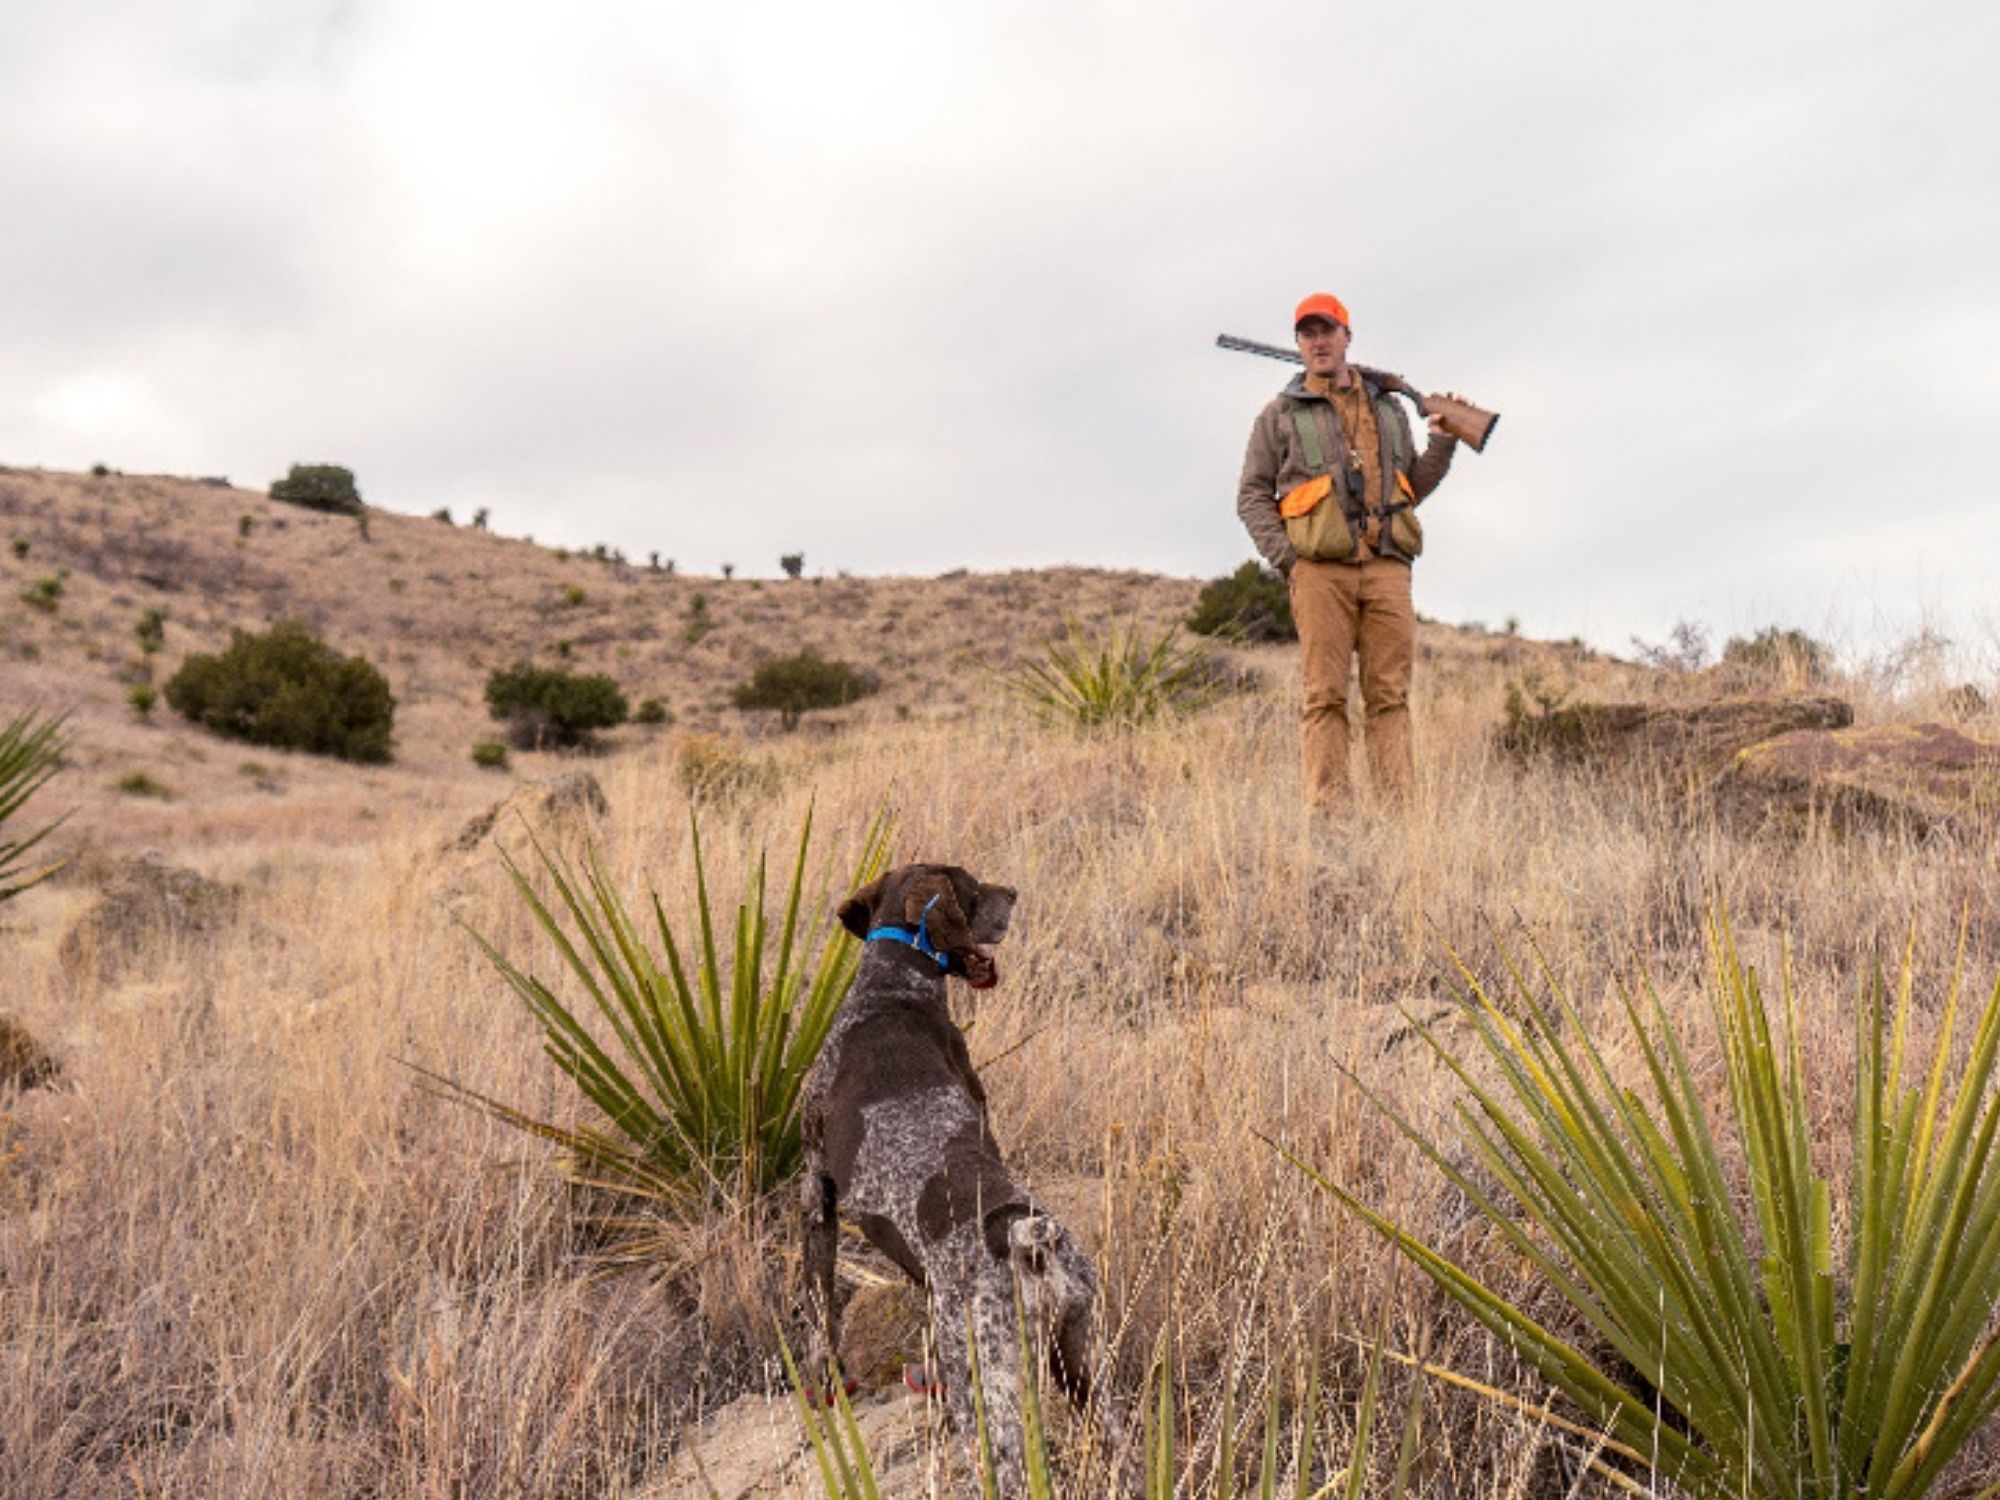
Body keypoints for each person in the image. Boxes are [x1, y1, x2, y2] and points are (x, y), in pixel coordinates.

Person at [1235, 293, 1459, 809]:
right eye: (1308, 334)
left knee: (1390, 696)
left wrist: (1443, 443)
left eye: (1327, 331)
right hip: (1319, 572)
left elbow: (1410, 487)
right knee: (1325, 696)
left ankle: (1398, 815)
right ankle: (1330, 818)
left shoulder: (1389, 408)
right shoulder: (1279, 414)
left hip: (1387, 567)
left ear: (1347, 337)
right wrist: (1289, 561)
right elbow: (1251, 495)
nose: (1318, 342)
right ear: (1299, 344)